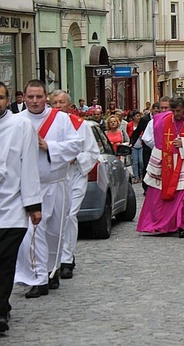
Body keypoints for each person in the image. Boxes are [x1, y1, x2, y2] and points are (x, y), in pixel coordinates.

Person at [15, 79, 82, 298]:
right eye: (30, 97)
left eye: (39, 96)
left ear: (46, 97)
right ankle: (38, 278)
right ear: (24, 98)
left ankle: (51, 271)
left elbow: (76, 145)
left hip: (57, 184)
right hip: (30, 189)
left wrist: (49, 146)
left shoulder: (61, 120)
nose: (34, 101)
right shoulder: (17, 122)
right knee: (34, 234)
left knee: (55, 233)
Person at [0, 82, 42, 333]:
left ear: (8, 100)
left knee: (5, 263)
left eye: (1, 97)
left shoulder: (21, 125)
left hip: (12, 207)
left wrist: (33, 205)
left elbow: (29, 165)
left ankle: (1, 309)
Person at [137, 97, 184, 237]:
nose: (176, 114)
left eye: (178, 111)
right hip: (166, 160)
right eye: (173, 111)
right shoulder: (163, 120)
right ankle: (160, 225)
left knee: (183, 196)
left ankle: (181, 226)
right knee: (158, 195)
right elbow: (156, 141)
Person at [49, 90, 99, 279]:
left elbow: (92, 152)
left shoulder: (81, 125)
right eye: (54, 102)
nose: (58, 106)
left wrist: (76, 157)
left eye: (61, 102)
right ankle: (52, 259)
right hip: (53, 177)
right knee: (53, 218)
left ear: (70, 106)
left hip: (75, 175)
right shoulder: (47, 126)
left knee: (69, 215)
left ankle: (66, 259)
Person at [127, 110, 144, 183]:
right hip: (134, 146)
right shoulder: (129, 125)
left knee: (141, 161)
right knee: (135, 161)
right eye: (137, 116)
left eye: (139, 116)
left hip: (141, 145)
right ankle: (136, 177)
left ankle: (141, 176)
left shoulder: (142, 124)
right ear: (133, 117)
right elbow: (128, 134)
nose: (138, 117)